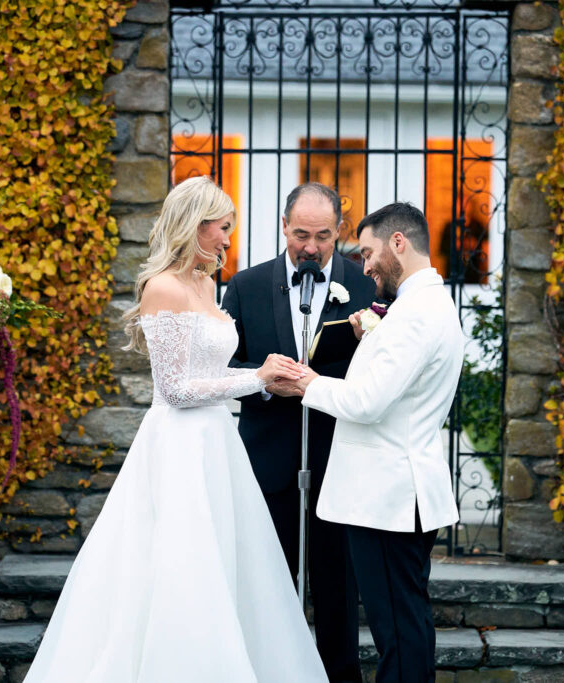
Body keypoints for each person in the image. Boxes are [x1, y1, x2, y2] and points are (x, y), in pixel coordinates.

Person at [24, 176, 328, 682]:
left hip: (217, 443)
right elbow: (175, 389)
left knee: (227, 563)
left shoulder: (207, 284)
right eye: (222, 227)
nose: (228, 238)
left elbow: (208, 371)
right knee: (181, 564)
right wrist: (255, 379)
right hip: (179, 446)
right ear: (195, 224)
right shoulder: (162, 288)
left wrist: (266, 377)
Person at [275, 202, 464, 683]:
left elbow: (366, 401)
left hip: (388, 500)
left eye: (367, 253)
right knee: (404, 625)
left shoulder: (416, 314)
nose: (364, 267)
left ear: (398, 242)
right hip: (395, 496)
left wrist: (307, 383)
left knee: (398, 631)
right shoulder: (424, 305)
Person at [221, 182, 375, 683]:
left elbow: (381, 373)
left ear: (340, 231)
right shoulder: (245, 285)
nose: (311, 247)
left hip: (341, 461)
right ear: (283, 226)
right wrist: (265, 384)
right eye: (301, 235)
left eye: (323, 236)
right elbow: (225, 365)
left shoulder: (367, 287)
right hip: (269, 463)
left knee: (338, 591)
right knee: (267, 590)